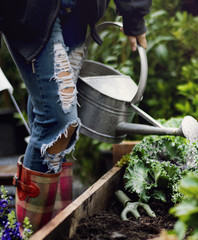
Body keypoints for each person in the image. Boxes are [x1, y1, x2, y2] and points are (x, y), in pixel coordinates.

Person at [0, 0, 152, 233]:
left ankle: (53, 226)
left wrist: (134, 13)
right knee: (59, 122)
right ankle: (28, 234)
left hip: (80, 9)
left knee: (46, 113)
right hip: (31, 9)